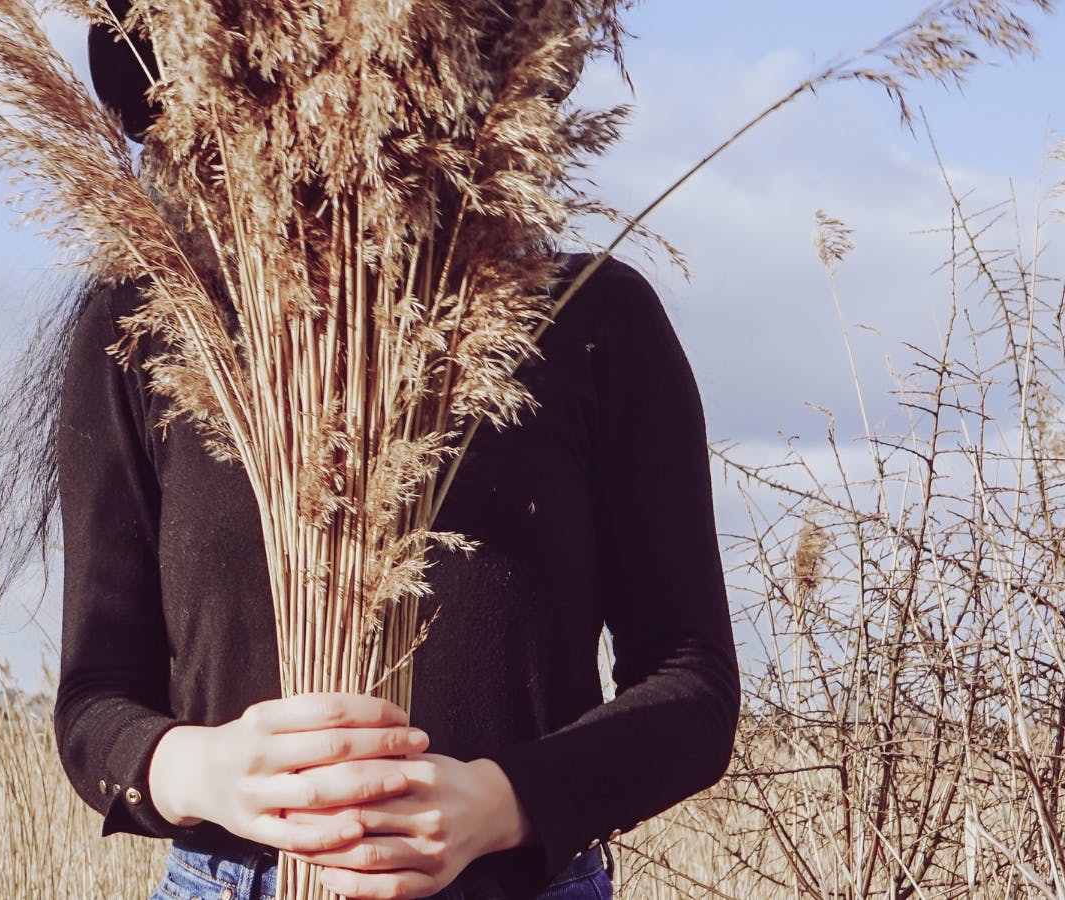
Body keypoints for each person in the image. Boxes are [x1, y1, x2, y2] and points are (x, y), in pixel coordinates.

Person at [40, 9, 740, 900]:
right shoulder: (145, 327)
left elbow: (694, 686)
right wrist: (204, 770)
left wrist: (505, 801)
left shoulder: (594, 317)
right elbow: (95, 701)